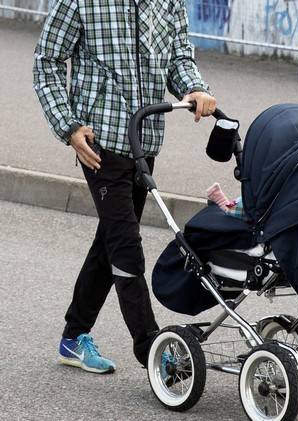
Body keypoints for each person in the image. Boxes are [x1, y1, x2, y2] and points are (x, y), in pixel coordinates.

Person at [33, 0, 217, 374]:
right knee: (125, 247)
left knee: (111, 242)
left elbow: (179, 57)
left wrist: (195, 88)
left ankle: (73, 337)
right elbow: (47, 61)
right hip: (98, 143)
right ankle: (151, 350)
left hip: (144, 140)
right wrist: (68, 126)